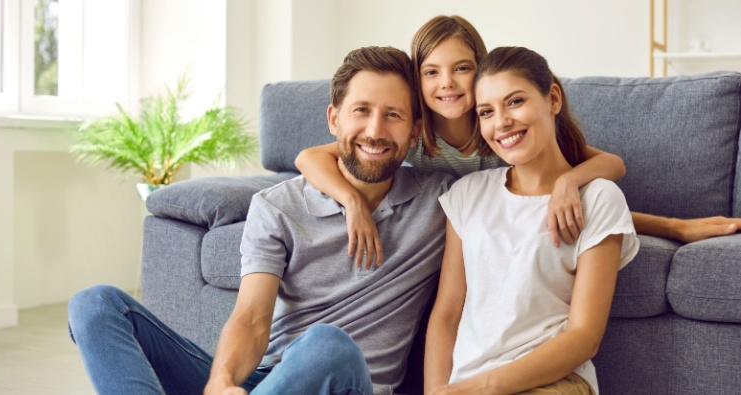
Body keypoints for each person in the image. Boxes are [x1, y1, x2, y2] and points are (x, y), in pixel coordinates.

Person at [68, 46, 455, 395]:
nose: (374, 130)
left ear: (415, 130)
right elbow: (252, 318)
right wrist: (221, 382)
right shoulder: (277, 205)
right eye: (361, 111)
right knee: (96, 303)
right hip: (269, 381)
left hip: (350, 382)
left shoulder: (441, 199)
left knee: (327, 344)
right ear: (333, 119)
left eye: (393, 116)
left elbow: (499, 147)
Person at [295, 15, 741, 269]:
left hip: (513, 215)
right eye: (432, 72)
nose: (447, 84)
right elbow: (308, 156)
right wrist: (352, 202)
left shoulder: (502, 130)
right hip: (448, 227)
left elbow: (612, 165)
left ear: (482, 70)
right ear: (418, 78)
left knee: (564, 198)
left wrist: (568, 181)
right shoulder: (410, 133)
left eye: (462, 68)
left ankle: (674, 225)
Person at [424, 46, 640, 395]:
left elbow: (584, 337)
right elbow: (447, 314)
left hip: (556, 381)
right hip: (466, 383)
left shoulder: (600, 198)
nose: (502, 122)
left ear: (553, 99)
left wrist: (484, 387)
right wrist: (437, 391)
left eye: (515, 102)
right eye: (486, 112)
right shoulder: (466, 195)